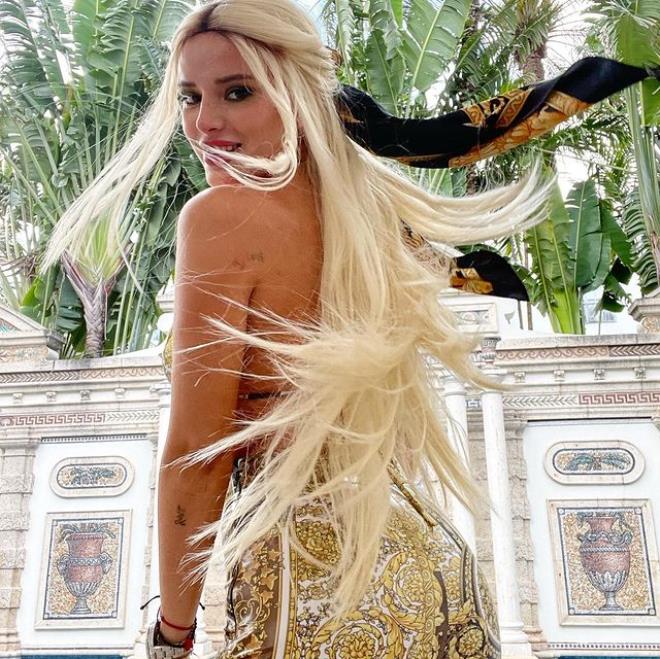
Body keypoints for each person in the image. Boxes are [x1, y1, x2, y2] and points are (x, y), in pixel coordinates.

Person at [38, 1, 658, 657]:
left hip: (314, 588)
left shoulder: (221, 218)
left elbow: (199, 453)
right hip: (432, 574)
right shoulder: (365, 218)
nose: (205, 122)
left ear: (299, 97)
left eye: (238, 91)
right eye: (190, 97)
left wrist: (172, 634)